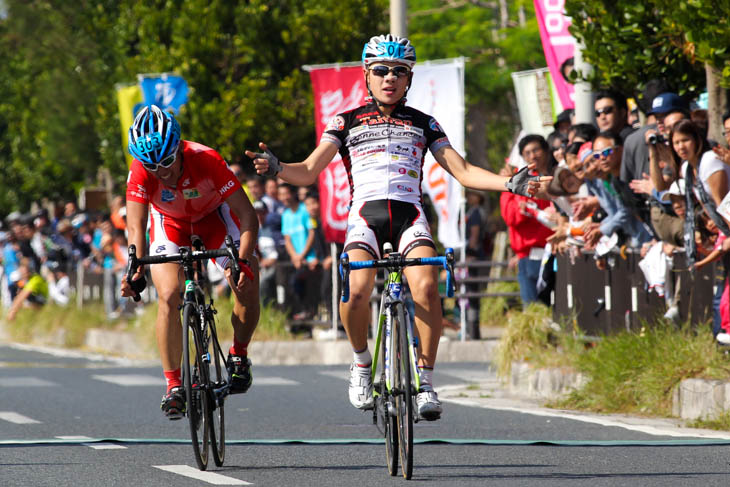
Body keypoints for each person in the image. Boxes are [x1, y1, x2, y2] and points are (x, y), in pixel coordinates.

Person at [247, 34, 546, 421]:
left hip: (409, 217)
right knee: (357, 289)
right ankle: (359, 363)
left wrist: (509, 183)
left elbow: (464, 171)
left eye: (399, 71)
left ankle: (425, 379)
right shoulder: (346, 121)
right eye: (382, 71)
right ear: (367, 75)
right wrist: (277, 168)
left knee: (425, 286)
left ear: (409, 78)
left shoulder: (424, 123)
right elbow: (307, 171)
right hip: (365, 219)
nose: (390, 77)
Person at [120, 105, 260, 420]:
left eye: (167, 161)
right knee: (169, 295)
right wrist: (135, 268)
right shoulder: (141, 170)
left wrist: (244, 260)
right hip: (171, 225)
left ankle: (239, 354)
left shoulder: (206, 159)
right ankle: (173, 385)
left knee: (246, 283)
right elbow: (135, 225)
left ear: (178, 148)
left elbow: (248, 215)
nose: (162, 172)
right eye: (153, 165)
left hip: (214, 220)